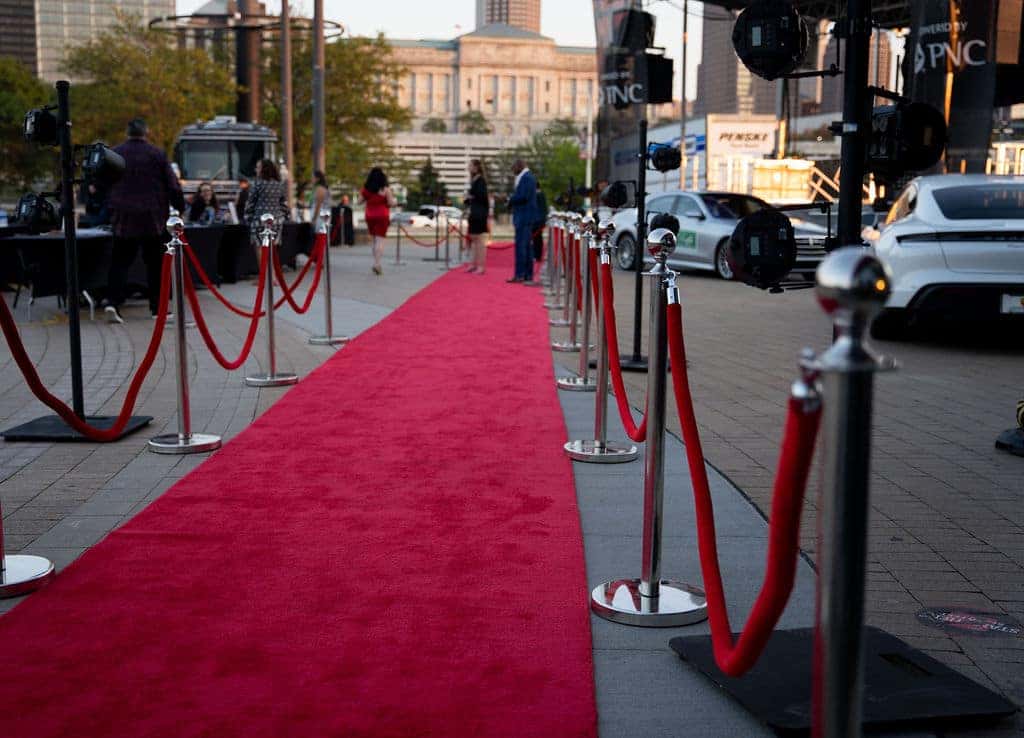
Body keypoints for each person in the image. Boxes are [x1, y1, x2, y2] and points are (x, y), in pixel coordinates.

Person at [104, 117, 184, 323]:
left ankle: (112, 302)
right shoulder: (156, 154)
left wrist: (109, 207)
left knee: (120, 262)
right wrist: (180, 207)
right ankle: (158, 308)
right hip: (153, 217)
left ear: (127, 132)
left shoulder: (116, 154)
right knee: (155, 264)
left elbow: (102, 182)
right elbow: (173, 185)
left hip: (123, 217)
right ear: (146, 132)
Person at [243, 159, 290, 258]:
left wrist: (247, 218)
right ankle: (271, 272)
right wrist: (284, 217)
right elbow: (284, 205)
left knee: (260, 248)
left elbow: (250, 204)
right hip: (276, 221)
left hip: (259, 220)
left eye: (258, 167)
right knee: (272, 251)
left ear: (263, 169)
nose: (256, 170)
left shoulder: (257, 184)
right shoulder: (279, 185)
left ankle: (264, 272)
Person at [507, 158, 541, 284]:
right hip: (524, 216)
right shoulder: (527, 177)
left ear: (519, 166)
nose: (513, 170)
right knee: (525, 246)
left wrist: (511, 199)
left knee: (522, 246)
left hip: (524, 216)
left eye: (514, 167)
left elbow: (523, 196)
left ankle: (521, 274)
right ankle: (526, 274)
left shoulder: (526, 178)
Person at [359, 167, 395, 275]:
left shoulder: (366, 189)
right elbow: (391, 203)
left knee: (374, 240)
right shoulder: (385, 189)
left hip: (370, 216)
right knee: (380, 240)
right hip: (382, 216)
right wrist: (394, 202)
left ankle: (375, 262)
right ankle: (377, 264)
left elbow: (359, 202)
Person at [464, 159, 489, 275]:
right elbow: (472, 198)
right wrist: (468, 199)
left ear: (476, 167)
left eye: (470, 165)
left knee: (479, 240)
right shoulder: (473, 180)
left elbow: (483, 197)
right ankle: (473, 264)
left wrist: (471, 195)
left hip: (480, 214)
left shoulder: (481, 181)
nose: (468, 167)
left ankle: (481, 266)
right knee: (473, 239)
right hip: (473, 213)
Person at [532, 188, 549, 263]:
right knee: (537, 239)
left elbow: (541, 208)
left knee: (537, 239)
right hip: (538, 220)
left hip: (537, 221)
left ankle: (537, 255)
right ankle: (537, 255)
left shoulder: (538, 194)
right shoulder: (540, 194)